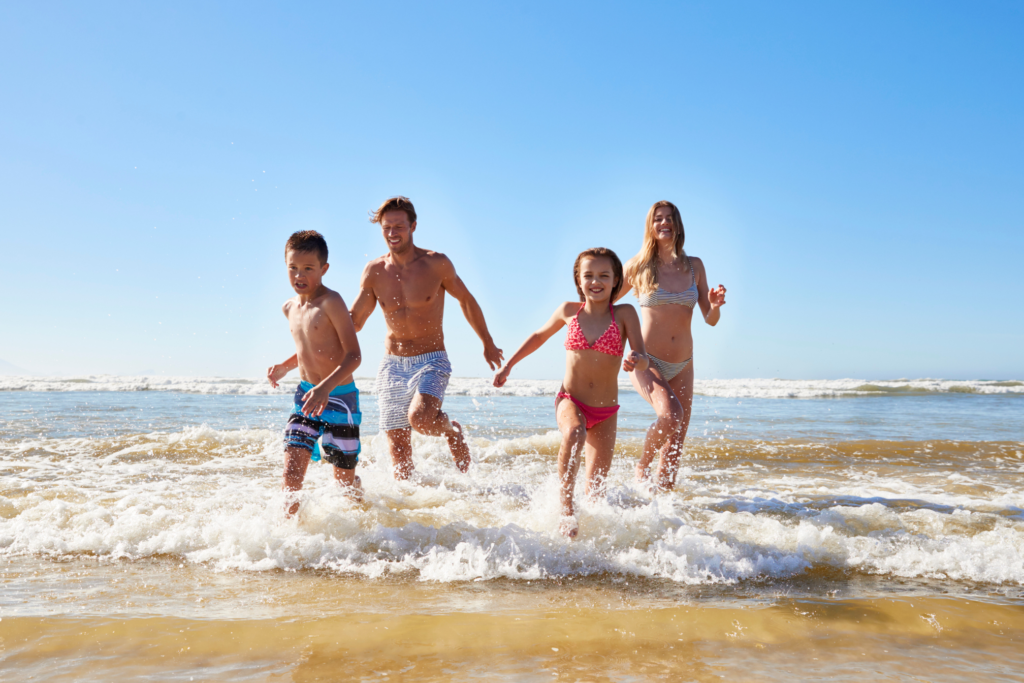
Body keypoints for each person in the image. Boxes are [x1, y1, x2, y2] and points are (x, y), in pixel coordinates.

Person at [494, 248, 647, 538]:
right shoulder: (568, 311)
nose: (595, 281)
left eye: (604, 275)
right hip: (570, 400)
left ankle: (587, 549)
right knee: (574, 432)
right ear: (578, 279)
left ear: (616, 280)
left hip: (605, 412)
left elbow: (644, 355)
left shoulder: (625, 313)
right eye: (588, 275)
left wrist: (636, 359)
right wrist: (509, 366)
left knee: (596, 491)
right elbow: (539, 336)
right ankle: (565, 511)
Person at [351, 196, 504, 479]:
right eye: (386, 227)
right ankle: (410, 509)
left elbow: (467, 301)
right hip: (392, 365)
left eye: (399, 226)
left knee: (420, 420)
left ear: (413, 226)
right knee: (398, 447)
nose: (392, 233)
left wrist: (487, 343)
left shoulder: (436, 263)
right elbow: (355, 321)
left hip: (431, 360)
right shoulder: (374, 271)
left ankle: (451, 430)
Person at [616, 201, 727, 491]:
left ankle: (665, 518)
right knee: (670, 417)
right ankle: (642, 464)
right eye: (658, 219)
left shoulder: (695, 266)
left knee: (674, 448)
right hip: (646, 360)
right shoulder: (638, 265)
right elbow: (603, 301)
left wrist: (714, 306)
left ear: (678, 225)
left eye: (669, 219)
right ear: (650, 227)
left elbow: (710, 319)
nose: (664, 223)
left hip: (683, 364)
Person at [266, 231, 363, 516]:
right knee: (292, 473)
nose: (299, 274)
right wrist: (285, 366)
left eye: (308, 268)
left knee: (343, 482)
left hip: (341, 399)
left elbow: (353, 356)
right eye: (293, 267)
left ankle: (362, 518)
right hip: (306, 396)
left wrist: (325, 387)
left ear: (324, 269)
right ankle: (288, 536)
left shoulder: (332, 302)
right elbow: (309, 347)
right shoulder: (289, 307)